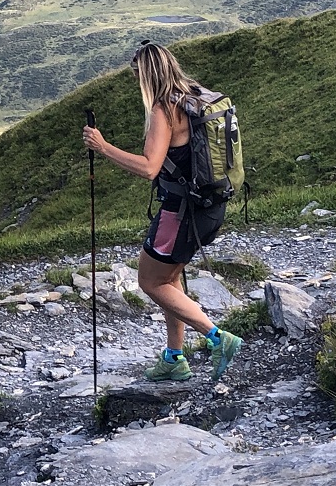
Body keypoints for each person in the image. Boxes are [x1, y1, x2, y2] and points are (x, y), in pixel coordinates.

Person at [81, 41, 242, 381]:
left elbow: (149, 168)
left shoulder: (164, 109)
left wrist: (103, 146)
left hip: (180, 212)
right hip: (208, 206)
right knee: (170, 278)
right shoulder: (196, 96)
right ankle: (174, 357)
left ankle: (218, 339)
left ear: (147, 74)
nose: (135, 79)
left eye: (137, 74)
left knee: (150, 281)